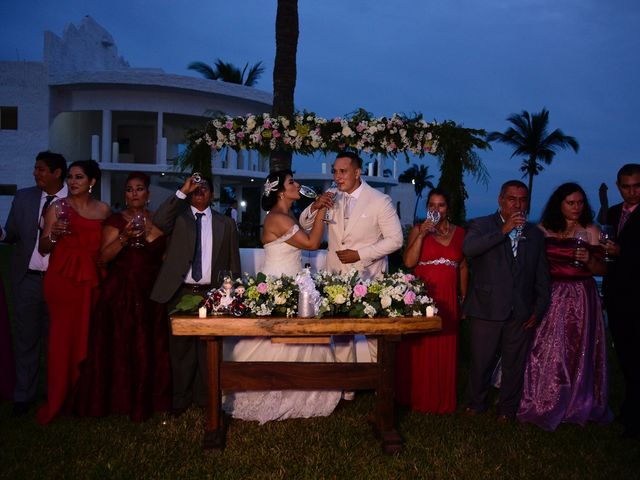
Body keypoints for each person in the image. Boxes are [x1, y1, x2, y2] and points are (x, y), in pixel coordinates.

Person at [223, 170, 341, 423]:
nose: (297, 184)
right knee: (276, 340)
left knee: (300, 340)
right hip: (278, 285)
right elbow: (311, 244)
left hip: (293, 283)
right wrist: (321, 209)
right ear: (280, 192)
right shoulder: (276, 218)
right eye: (291, 182)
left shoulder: (288, 215)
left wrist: (317, 206)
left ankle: (301, 391)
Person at [74, 172, 171, 422]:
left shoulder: (158, 221)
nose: (134, 193)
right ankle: (120, 399)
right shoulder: (116, 221)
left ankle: (151, 398)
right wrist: (124, 237)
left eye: (139, 189)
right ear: (125, 195)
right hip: (122, 293)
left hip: (151, 293)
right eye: (129, 189)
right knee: (123, 345)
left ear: (148, 194)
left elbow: (164, 259)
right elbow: (103, 258)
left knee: (150, 344)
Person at [517, 182, 611, 430]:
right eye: (571, 203)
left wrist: (590, 259)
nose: (577, 207)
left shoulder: (591, 230)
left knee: (579, 347)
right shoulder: (542, 230)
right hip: (551, 293)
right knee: (545, 348)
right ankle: (543, 398)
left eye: (580, 202)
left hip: (582, 295)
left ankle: (577, 401)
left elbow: (604, 269)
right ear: (559, 204)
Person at [299, 151, 403, 363]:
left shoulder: (379, 200)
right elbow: (304, 224)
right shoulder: (331, 195)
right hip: (336, 274)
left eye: (343, 172)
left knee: (374, 333)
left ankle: (377, 380)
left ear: (357, 172)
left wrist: (359, 254)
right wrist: (315, 206)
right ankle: (347, 387)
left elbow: (395, 240)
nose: (337, 177)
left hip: (369, 274)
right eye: (335, 172)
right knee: (340, 332)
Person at [150, 174, 240, 416]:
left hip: (212, 294)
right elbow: (158, 220)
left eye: (204, 187)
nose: (199, 190)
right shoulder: (178, 218)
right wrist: (182, 190)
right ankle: (180, 399)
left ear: (212, 193)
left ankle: (205, 398)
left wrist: (230, 294)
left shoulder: (225, 223)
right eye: (195, 187)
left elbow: (233, 262)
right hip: (180, 292)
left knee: (208, 349)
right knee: (180, 350)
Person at [462, 180, 550, 421]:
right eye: (512, 199)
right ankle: (476, 403)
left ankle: (507, 409)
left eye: (523, 200)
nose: (518, 204)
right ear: (501, 200)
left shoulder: (535, 234)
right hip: (486, 307)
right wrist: (504, 230)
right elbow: (469, 249)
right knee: (481, 361)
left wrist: (538, 308)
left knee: (514, 364)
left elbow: (541, 276)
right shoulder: (481, 225)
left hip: (521, 310)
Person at [36, 160, 110, 424]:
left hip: (92, 280)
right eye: (70, 177)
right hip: (63, 279)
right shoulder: (58, 207)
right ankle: (58, 399)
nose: (72, 181)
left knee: (88, 338)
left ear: (92, 182)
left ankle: (83, 397)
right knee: (61, 341)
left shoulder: (103, 210)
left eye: (79, 177)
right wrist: (54, 235)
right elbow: (44, 247)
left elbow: (108, 247)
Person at [1, 151, 68, 416]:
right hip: (27, 279)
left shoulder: (74, 202)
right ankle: (23, 395)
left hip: (59, 284)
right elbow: (12, 234)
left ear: (57, 173)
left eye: (41, 169)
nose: (35, 173)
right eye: (35, 168)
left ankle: (54, 392)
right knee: (26, 339)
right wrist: (2, 233)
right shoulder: (23, 197)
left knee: (55, 342)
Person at [397, 188, 468, 414]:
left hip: (449, 298)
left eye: (441, 205)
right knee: (422, 348)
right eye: (431, 205)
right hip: (424, 297)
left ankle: (442, 399)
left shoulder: (460, 233)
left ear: (448, 209)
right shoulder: (419, 229)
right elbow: (408, 262)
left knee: (445, 345)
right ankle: (417, 397)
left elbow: (464, 266)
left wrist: (463, 296)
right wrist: (421, 234)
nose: (435, 209)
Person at [603, 163, 640, 439]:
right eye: (626, 186)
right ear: (618, 187)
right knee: (625, 356)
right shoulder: (614, 213)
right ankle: (629, 408)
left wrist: (622, 251)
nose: (632, 192)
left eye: (637, 186)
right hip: (616, 296)